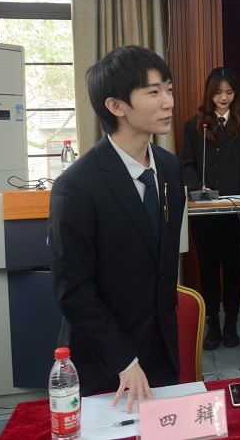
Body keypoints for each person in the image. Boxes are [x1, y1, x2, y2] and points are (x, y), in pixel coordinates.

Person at [48, 45, 185, 412]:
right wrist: (123, 360)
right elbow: (72, 289)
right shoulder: (77, 186)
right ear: (116, 106)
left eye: (169, 89)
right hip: (105, 361)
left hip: (162, 350)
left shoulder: (171, 169)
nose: (169, 102)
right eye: (153, 92)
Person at [180, 67, 240, 350]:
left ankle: (231, 324)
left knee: (234, 267)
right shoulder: (195, 125)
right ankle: (213, 324)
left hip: (235, 210)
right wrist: (197, 187)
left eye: (229, 92)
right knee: (208, 268)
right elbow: (187, 164)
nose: (224, 98)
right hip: (204, 212)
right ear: (209, 93)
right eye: (218, 93)